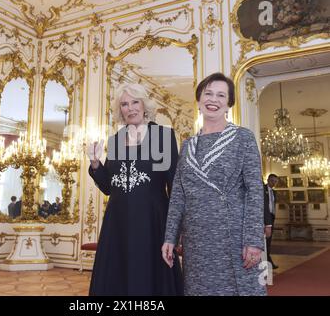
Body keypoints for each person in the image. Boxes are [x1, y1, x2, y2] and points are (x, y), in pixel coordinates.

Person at [162, 72, 266, 296]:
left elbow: (255, 191)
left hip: (234, 237)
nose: (213, 100)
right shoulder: (187, 145)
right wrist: (170, 236)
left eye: (221, 95)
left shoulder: (242, 138)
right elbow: (178, 195)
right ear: (199, 101)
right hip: (197, 241)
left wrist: (254, 240)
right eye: (208, 94)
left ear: (228, 104)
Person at [86, 83, 183, 296]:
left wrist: (173, 231)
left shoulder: (163, 137)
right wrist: (95, 163)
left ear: (144, 105)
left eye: (134, 102)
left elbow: (175, 186)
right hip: (118, 223)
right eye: (124, 104)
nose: (130, 108)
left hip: (152, 222)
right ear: (120, 110)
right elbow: (109, 187)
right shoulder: (116, 141)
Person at [264, 173, 279, 269]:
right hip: (264, 217)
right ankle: (266, 262)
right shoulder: (262, 189)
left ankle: (268, 261)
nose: (274, 183)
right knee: (263, 240)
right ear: (268, 180)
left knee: (268, 241)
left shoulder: (274, 192)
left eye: (275, 182)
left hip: (271, 217)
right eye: (272, 181)